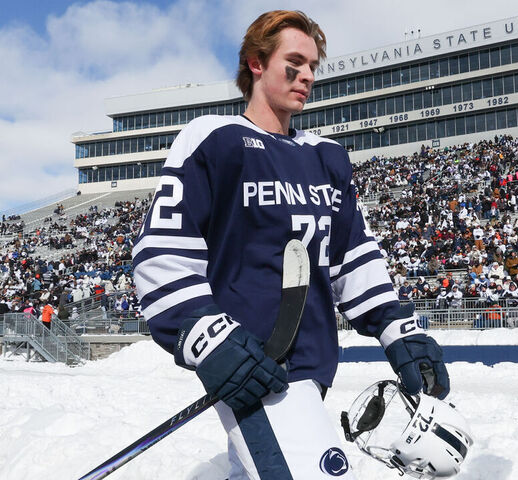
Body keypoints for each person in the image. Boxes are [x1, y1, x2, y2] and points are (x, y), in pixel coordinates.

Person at [132, 10, 449, 480]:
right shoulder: (214, 139)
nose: (307, 77)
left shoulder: (327, 156)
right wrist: (206, 335)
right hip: (251, 363)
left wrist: (396, 328)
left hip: (315, 365)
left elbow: (352, 255)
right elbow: (162, 249)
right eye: (294, 63)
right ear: (256, 62)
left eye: (313, 67)